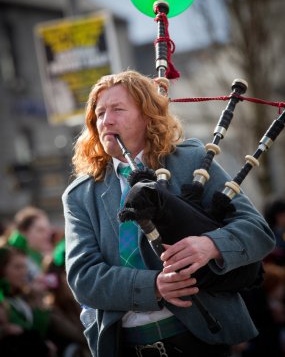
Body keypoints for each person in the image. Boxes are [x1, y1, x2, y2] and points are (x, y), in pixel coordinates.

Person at [62, 70, 275, 357]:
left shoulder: (191, 160)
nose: (106, 121)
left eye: (117, 109)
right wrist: (154, 287)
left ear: (147, 115)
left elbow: (257, 231)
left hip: (202, 339)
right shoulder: (80, 195)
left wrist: (210, 245)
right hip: (126, 346)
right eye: (99, 114)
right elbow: (83, 278)